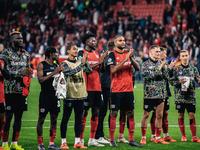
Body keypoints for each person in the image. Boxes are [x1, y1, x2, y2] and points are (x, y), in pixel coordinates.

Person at [107, 35, 142, 147]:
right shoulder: (112, 54)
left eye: (124, 40)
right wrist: (126, 59)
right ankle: (112, 139)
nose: (123, 42)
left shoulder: (128, 53)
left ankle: (131, 140)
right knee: (114, 113)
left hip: (128, 89)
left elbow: (137, 68)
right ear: (115, 42)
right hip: (116, 89)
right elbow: (112, 70)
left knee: (130, 113)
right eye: (120, 40)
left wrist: (130, 58)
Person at [0, 31, 33, 150]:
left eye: (22, 38)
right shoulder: (6, 53)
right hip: (9, 90)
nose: (21, 40)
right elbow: (4, 72)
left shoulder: (26, 54)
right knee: (8, 117)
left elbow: (28, 71)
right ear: (12, 40)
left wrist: (27, 85)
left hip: (21, 91)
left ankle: (14, 143)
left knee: (19, 117)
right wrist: (20, 73)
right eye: (18, 38)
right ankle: (4, 143)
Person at [60, 43, 92, 149]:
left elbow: (90, 70)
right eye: (74, 49)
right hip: (69, 95)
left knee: (78, 119)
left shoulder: (80, 62)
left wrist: (85, 61)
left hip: (80, 95)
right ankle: (63, 142)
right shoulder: (64, 64)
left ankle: (77, 142)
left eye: (77, 49)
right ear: (68, 51)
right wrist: (82, 64)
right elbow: (70, 73)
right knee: (65, 118)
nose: (76, 50)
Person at [77, 31, 107, 147]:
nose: (95, 42)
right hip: (86, 87)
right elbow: (83, 67)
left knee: (96, 112)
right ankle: (80, 139)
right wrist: (99, 62)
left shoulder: (96, 53)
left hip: (97, 87)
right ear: (86, 42)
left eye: (95, 40)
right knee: (84, 112)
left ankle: (92, 139)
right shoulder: (81, 53)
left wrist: (102, 61)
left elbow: (102, 70)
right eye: (92, 40)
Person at [140, 45, 169, 145]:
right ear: (151, 52)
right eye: (156, 51)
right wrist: (160, 68)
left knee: (160, 115)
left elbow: (166, 77)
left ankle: (158, 137)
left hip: (161, 93)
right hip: (149, 94)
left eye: (159, 52)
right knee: (146, 115)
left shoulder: (162, 63)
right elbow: (148, 76)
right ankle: (143, 137)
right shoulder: (145, 64)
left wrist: (165, 68)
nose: (159, 53)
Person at [170, 50, 200, 143]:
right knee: (181, 115)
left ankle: (194, 136)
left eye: (186, 55)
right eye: (183, 56)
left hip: (191, 96)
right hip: (179, 97)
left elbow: (198, 78)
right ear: (180, 57)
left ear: (189, 56)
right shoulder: (176, 69)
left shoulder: (193, 69)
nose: (185, 57)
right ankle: (183, 136)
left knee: (192, 116)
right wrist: (179, 82)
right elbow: (171, 82)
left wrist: (199, 80)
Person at [36, 47, 63, 150]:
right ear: (51, 54)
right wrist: (54, 72)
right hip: (45, 96)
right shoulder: (41, 65)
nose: (58, 55)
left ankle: (51, 143)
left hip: (55, 96)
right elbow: (41, 80)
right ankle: (40, 144)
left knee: (54, 119)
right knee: (41, 119)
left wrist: (60, 72)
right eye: (56, 53)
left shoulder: (57, 65)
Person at [150, 47, 176, 142]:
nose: (165, 55)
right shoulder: (156, 64)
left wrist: (170, 68)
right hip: (155, 92)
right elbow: (157, 76)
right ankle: (154, 135)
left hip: (165, 91)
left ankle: (166, 135)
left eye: (165, 53)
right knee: (155, 114)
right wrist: (169, 68)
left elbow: (168, 78)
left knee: (165, 113)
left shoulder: (165, 64)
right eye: (163, 53)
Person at [95, 41, 115, 144]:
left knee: (106, 112)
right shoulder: (108, 56)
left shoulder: (107, 56)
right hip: (105, 87)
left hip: (109, 87)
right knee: (102, 112)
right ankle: (98, 135)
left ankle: (101, 134)